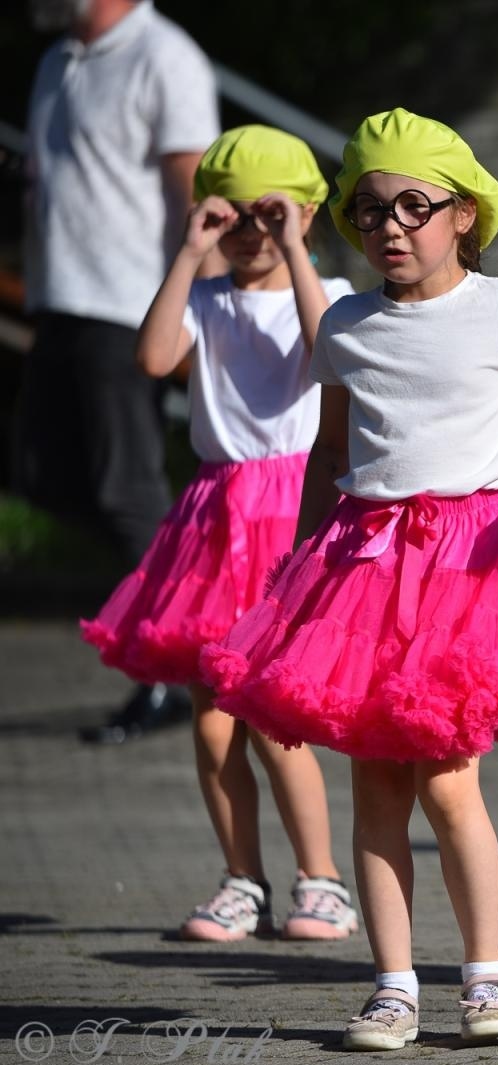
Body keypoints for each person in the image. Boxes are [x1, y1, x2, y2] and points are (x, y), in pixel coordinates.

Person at [199, 108, 498, 1051]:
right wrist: (297, 564)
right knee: (377, 790)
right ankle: (393, 987)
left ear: (464, 214)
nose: (390, 225)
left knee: (447, 779)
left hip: (469, 563)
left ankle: (484, 975)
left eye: (413, 206)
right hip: (360, 566)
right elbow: (336, 448)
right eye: (370, 209)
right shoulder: (347, 323)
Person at [79, 126, 359, 941]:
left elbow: (326, 349)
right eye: (233, 217)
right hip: (212, 517)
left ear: (305, 213)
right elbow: (153, 356)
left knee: (274, 717)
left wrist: (296, 247)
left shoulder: (329, 289)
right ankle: (242, 879)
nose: (249, 233)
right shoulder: (205, 298)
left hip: (291, 508)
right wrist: (188, 248)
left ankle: (323, 881)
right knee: (211, 719)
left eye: (267, 217)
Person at [19, 0, 222, 742]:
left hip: (129, 307)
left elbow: (193, 191)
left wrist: (207, 316)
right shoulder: (58, 61)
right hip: (60, 300)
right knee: (42, 473)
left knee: (125, 490)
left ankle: (172, 671)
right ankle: (184, 610)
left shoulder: (164, 55)